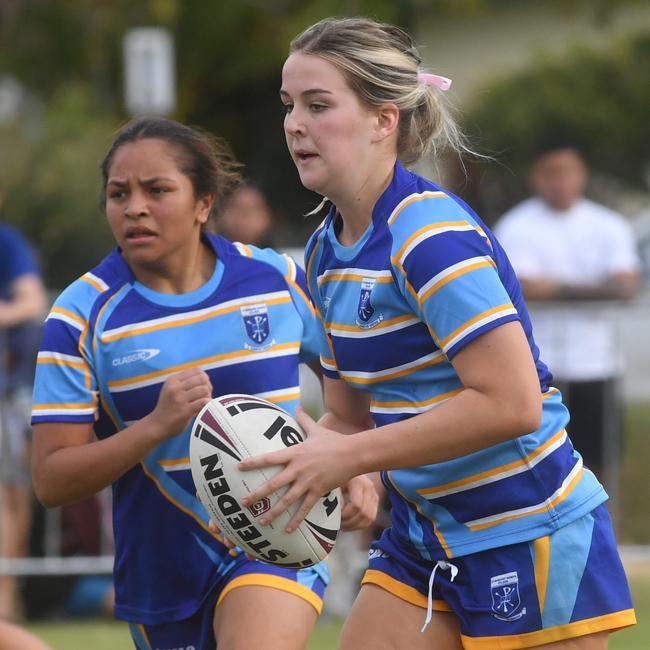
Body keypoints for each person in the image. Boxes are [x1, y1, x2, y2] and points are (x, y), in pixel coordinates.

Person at [236, 17, 636, 649]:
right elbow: (348, 416)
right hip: (422, 536)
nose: (294, 125)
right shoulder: (323, 254)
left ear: (382, 119)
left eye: (319, 105)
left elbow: (511, 403)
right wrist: (293, 468)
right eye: (290, 106)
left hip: (527, 527)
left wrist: (349, 457)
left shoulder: (430, 236)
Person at [30, 117, 377, 650]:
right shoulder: (80, 316)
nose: (135, 207)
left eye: (157, 190)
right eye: (118, 194)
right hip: (161, 570)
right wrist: (155, 427)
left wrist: (357, 463)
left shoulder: (275, 280)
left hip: (279, 536)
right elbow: (53, 479)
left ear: (203, 202)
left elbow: (362, 392)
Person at [494, 146, 642, 488]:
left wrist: (559, 290)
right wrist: (592, 289)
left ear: (582, 176)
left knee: (600, 458)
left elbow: (626, 284)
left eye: (568, 172)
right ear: (537, 178)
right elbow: (521, 285)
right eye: (551, 173)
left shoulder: (607, 224)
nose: (560, 182)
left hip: (597, 362)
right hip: (539, 364)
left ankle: (602, 531)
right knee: (540, 458)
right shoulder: (517, 226)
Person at [0, 197, 48, 621]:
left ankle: (5, 603)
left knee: (8, 499)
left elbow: (31, 302)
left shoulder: (7, 243)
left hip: (4, 396)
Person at [217, 182, 277, 248]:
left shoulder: (278, 256)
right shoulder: (211, 254)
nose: (243, 216)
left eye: (251, 209)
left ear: (267, 216)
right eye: (236, 207)